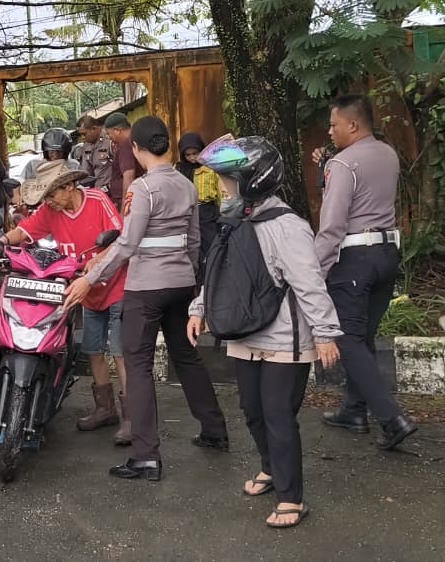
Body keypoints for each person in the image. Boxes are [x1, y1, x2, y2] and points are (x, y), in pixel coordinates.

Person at [186, 135, 343, 529]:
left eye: (228, 179)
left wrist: (325, 332)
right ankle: (271, 469)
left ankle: (292, 496)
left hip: (284, 339)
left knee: (277, 414)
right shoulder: (234, 220)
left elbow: (309, 283)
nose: (222, 187)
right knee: (252, 410)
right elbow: (217, 271)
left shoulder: (287, 226)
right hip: (245, 334)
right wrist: (199, 309)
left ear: (253, 180)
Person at [65, 116, 228, 481]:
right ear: (166, 145)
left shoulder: (142, 189)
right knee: (187, 357)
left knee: (136, 365)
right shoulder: (186, 186)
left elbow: (127, 244)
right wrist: (191, 282)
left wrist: (90, 279)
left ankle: (145, 455)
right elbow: (195, 241)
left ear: (136, 149)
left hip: (145, 288)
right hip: (181, 284)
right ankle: (215, 430)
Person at [0, 159, 132, 444]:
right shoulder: (50, 210)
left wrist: (99, 258)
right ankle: (105, 409)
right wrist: (2, 242)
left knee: (120, 351)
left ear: (69, 186)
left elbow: (122, 240)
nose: (49, 202)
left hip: (117, 286)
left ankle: (132, 418)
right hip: (84, 291)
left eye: (52, 195)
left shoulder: (97, 200)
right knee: (93, 349)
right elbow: (28, 230)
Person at [313, 94, 418, 450]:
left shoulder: (343, 165)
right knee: (364, 336)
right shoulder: (387, 154)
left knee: (347, 338)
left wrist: (314, 271)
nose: (330, 131)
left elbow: (331, 226)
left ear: (353, 125)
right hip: (387, 253)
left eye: (334, 124)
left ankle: (392, 419)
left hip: (354, 259)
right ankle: (354, 410)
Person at [176, 132, 222, 272]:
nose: (192, 158)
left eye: (195, 153)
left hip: (207, 214)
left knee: (211, 248)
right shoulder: (178, 170)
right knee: (191, 249)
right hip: (186, 214)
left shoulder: (210, 168)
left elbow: (219, 193)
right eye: (187, 155)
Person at [104, 113, 145, 211]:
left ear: (117, 131)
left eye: (109, 134)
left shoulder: (126, 145)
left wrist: (124, 210)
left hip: (129, 201)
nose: (109, 138)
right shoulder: (136, 140)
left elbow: (129, 177)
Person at [78, 115, 116, 204]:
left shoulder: (109, 142)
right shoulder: (86, 146)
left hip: (112, 192)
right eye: (81, 134)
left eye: (84, 134)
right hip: (96, 193)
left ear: (94, 129)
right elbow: (85, 171)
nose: (83, 137)